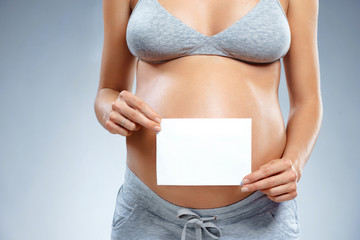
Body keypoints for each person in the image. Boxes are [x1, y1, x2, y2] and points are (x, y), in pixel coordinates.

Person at [94, 0, 322, 239]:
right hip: (150, 213)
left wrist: (294, 164)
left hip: (259, 212)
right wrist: (111, 110)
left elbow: (308, 102)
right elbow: (107, 90)